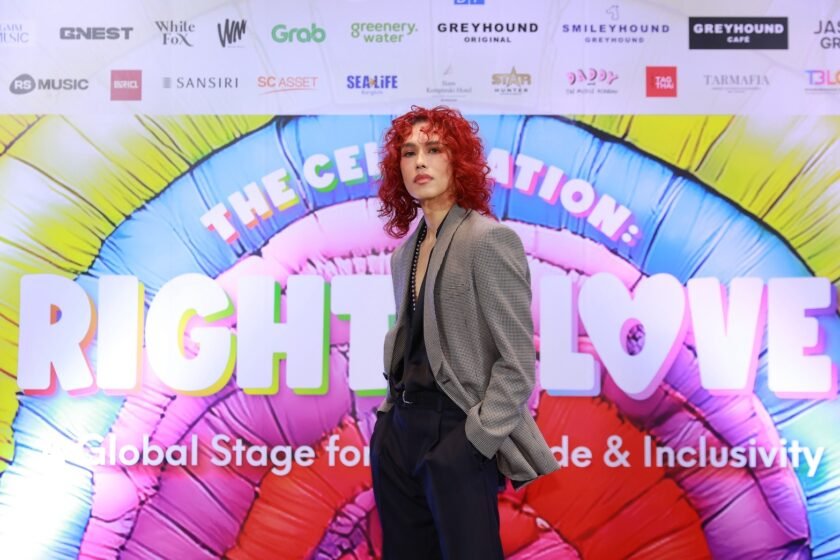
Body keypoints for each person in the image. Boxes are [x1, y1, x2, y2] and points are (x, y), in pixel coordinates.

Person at [370, 106, 558, 560]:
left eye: (434, 149)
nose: (420, 162)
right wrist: (387, 429)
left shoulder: (488, 240)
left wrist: (474, 440)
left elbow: (517, 364)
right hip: (398, 433)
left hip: (456, 430)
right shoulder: (404, 255)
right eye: (409, 152)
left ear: (459, 161)